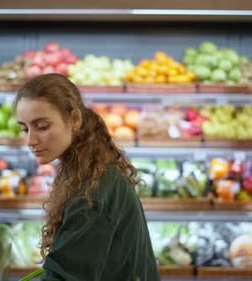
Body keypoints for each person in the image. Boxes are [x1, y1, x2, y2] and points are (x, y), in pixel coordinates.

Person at [15, 73, 160, 281]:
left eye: (42, 127)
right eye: (24, 128)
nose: (30, 140)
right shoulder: (88, 169)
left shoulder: (93, 192)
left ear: (74, 119)